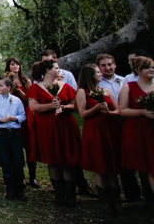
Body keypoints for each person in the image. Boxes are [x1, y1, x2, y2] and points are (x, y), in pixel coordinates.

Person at [28, 59, 82, 206]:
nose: (59, 71)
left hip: (65, 125)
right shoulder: (36, 88)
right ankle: (59, 193)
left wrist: (65, 107)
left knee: (67, 159)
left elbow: (75, 104)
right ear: (47, 70)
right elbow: (33, 107)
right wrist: (50, 105)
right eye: (56, 68)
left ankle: (70, 193)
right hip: (46, 126)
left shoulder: (65, 86)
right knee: (53, 159)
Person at [75, 64, 123, 213]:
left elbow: (118, 109)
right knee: (100, 165)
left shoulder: (106, 91)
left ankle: (116, 200)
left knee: (112, 165)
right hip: (94, 130)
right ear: (89, 75)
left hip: (109, 128)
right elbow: (82, 114)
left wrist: (110, 112)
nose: (101, 73)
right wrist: (96, 108)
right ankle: (105, 200)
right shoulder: (83, 92)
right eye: (97, 72)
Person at [118, 55, 154, 209]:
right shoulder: (129, 87)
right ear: (138, 70)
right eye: (148, 67)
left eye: (153, 66)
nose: (152, 70)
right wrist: (143, 113)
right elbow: (122, 110)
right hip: (139, 129)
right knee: (150, 166)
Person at [0, 77, 27, 201]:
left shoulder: (16, 100)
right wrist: (1, 120)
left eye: (1, 85)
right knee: (5, 161)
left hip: (14, 133)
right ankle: (9, 188)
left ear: (8, 88)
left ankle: (20, 189)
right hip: (1, 133)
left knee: (17, 161)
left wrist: (14, 118)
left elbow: (23, 115)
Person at [5, 56, 38, 188]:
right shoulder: (6, 81)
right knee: (16, 147)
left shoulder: (26, 81)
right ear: (8, 67)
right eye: (13, 64)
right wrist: (12, 88)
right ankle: (20, 176)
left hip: (26, 113)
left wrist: (19, 90)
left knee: (29, 145)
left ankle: (33, 177)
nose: (16, 67)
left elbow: (29, 99)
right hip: (13, 114)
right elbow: (5, 99)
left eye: (17, 64)